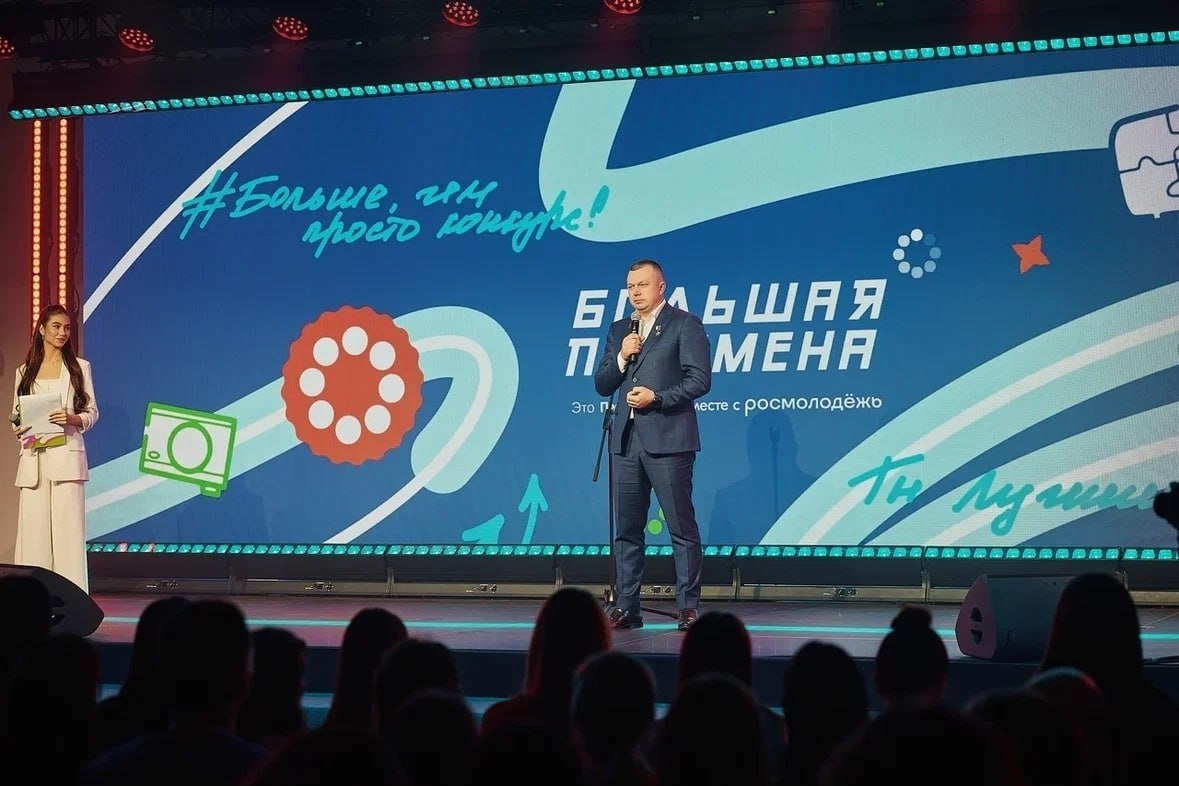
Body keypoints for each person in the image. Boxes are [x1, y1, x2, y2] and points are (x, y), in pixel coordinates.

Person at [594, 259, 711, 632]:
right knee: (627, 530)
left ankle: (688, 607)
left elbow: (699, 380)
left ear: (661, 287)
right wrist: (621, 356)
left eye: (642, 285)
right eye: (631, 286)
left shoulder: (684, 325)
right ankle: (627, 607)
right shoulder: (620, 330)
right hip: (627, 442)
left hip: (669, 441)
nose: (636, 292)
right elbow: (602, 383)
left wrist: (656, 398)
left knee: (681, 528)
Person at [9, 305, 98, 594]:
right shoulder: (24, 371)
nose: (62, 333)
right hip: (34, 459)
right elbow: (16, 415)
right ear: (42, 330)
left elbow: (92, 413)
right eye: (56, 327)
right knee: (33, 537)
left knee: (68, 537)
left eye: (67, 328)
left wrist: (72, 419)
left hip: (67, 459)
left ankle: (72, 602)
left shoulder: (79, 368)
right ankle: (30, 599)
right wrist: (17, 427)